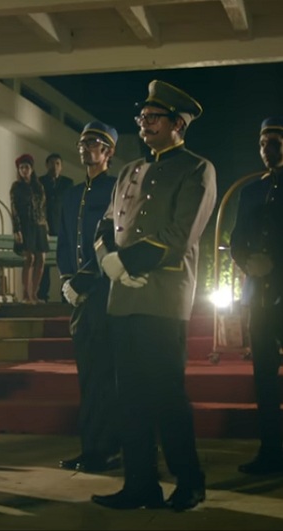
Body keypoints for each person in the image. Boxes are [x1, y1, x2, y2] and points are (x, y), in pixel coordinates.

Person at [90, 80, 216, 511]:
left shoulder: (197, 169)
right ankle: (140, 483)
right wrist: (108, 261)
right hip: (123, 299)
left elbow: (180, 236)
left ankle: (190, 481)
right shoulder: (128, 171)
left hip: (162, 296)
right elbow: (105, 226)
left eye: (153, 117)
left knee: (167, 397)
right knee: (130, 399)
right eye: (141, 117)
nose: (144, 123)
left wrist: (126, 264)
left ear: (178, 123)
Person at [57, 121, 121, 473]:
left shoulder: (116, 189)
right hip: (80, 297)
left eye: (94, 142)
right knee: (88, 375)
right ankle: (91, 447)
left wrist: (83, 281)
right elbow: (65, 243)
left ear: (108, 152)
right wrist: (68, 280)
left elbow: (110, 242)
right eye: (83, 142)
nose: (85, 148)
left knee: (104, 375)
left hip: (105, 291)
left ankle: (106, 449)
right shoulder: (71, 195)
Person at [230, 116, 283, 475]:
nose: (268, 149)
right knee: (264, 378)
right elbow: (237, 239)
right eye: (263, 143)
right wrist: (249, 262)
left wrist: (274, 266)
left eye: (275, 141)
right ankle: (271, 450)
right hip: (258, 296)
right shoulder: (251, 191)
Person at [10, 154, 49, 304]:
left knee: (41, 259)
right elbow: (14, 209)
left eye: (26, 167)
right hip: (25, 226)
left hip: (39, 225)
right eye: (21, 168)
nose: (24, 170)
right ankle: (26, 294)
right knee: (29, 258)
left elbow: (43, 207)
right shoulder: (16, 187)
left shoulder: (38, 186)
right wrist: (17, 229)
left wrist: (45, 226)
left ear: (31, 169)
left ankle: (34, 293)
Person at [38, 153, 74, 302]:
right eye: (52, 163)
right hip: (44, 227)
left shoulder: (67, 183)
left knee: (64, 262)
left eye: (57, 163)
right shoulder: (40, 182)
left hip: (61, 227)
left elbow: (70, 205)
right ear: (47, 165)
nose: (54, 167)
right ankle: (42, 294)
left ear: (61, 166)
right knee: (43, 263)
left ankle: (65, 295)